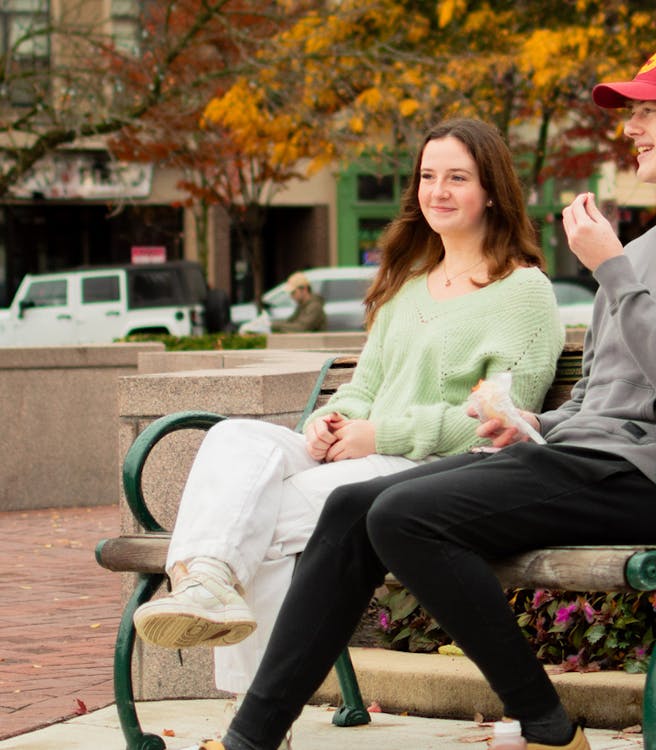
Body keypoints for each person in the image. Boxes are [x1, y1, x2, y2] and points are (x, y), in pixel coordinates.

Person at [205, 44, 656, 750]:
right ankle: (251, 740)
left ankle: (547, 725)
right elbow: (596, 392)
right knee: (350, 507)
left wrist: (612, 270)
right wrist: (531, 421)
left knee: (402, 516)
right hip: (584, 458)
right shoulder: (641, 248)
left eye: (649, 112)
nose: (631, 128)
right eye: (631, 113)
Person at [133, 117, 565, 707]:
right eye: (427, 176)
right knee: (233, 437)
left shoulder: (523, 292)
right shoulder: (409, 283)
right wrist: (330, 421)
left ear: (492, 190)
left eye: (457, 178)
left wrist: (378, 434)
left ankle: (250, 718)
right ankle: (206, 583)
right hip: (360, 450)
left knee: (263, 522)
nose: (437, 191)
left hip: (428, 471)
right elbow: (364, 387)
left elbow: (499, 423)